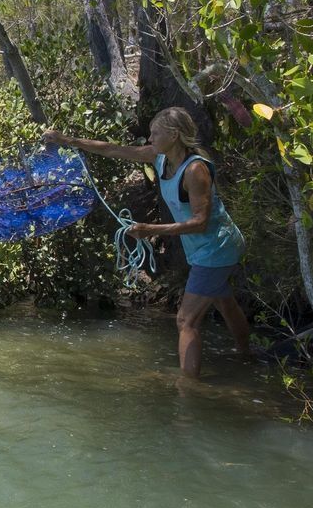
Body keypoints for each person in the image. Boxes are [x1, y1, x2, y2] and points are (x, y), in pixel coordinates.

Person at [43, 107, 249, 378]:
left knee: (186, 320)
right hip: (204, 249)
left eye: (155, 133)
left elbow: (200, 222)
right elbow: (113, 150)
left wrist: (151, 228)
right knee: (225, 303)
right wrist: (68, 140)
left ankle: (189, 389)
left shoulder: (195, 170)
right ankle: (247, 356)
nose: (149, 138)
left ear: (174, 135)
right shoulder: (159, 157)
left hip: (217, 248)